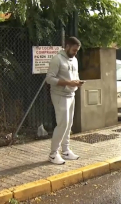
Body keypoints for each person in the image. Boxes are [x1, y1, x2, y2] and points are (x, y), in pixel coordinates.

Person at [46, 37, 83, 165]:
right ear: (67, 46)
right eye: (74, 50)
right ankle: (53, 154)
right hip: (59, 95)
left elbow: (75, 76)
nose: (75, 52)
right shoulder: (57, 59)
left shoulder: (75, 60)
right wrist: (68, 82)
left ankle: (66, 151)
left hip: (71, 94)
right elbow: (49, 79)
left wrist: (77, 82)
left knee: (69, 124)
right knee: (62, 124)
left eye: (77, 50)